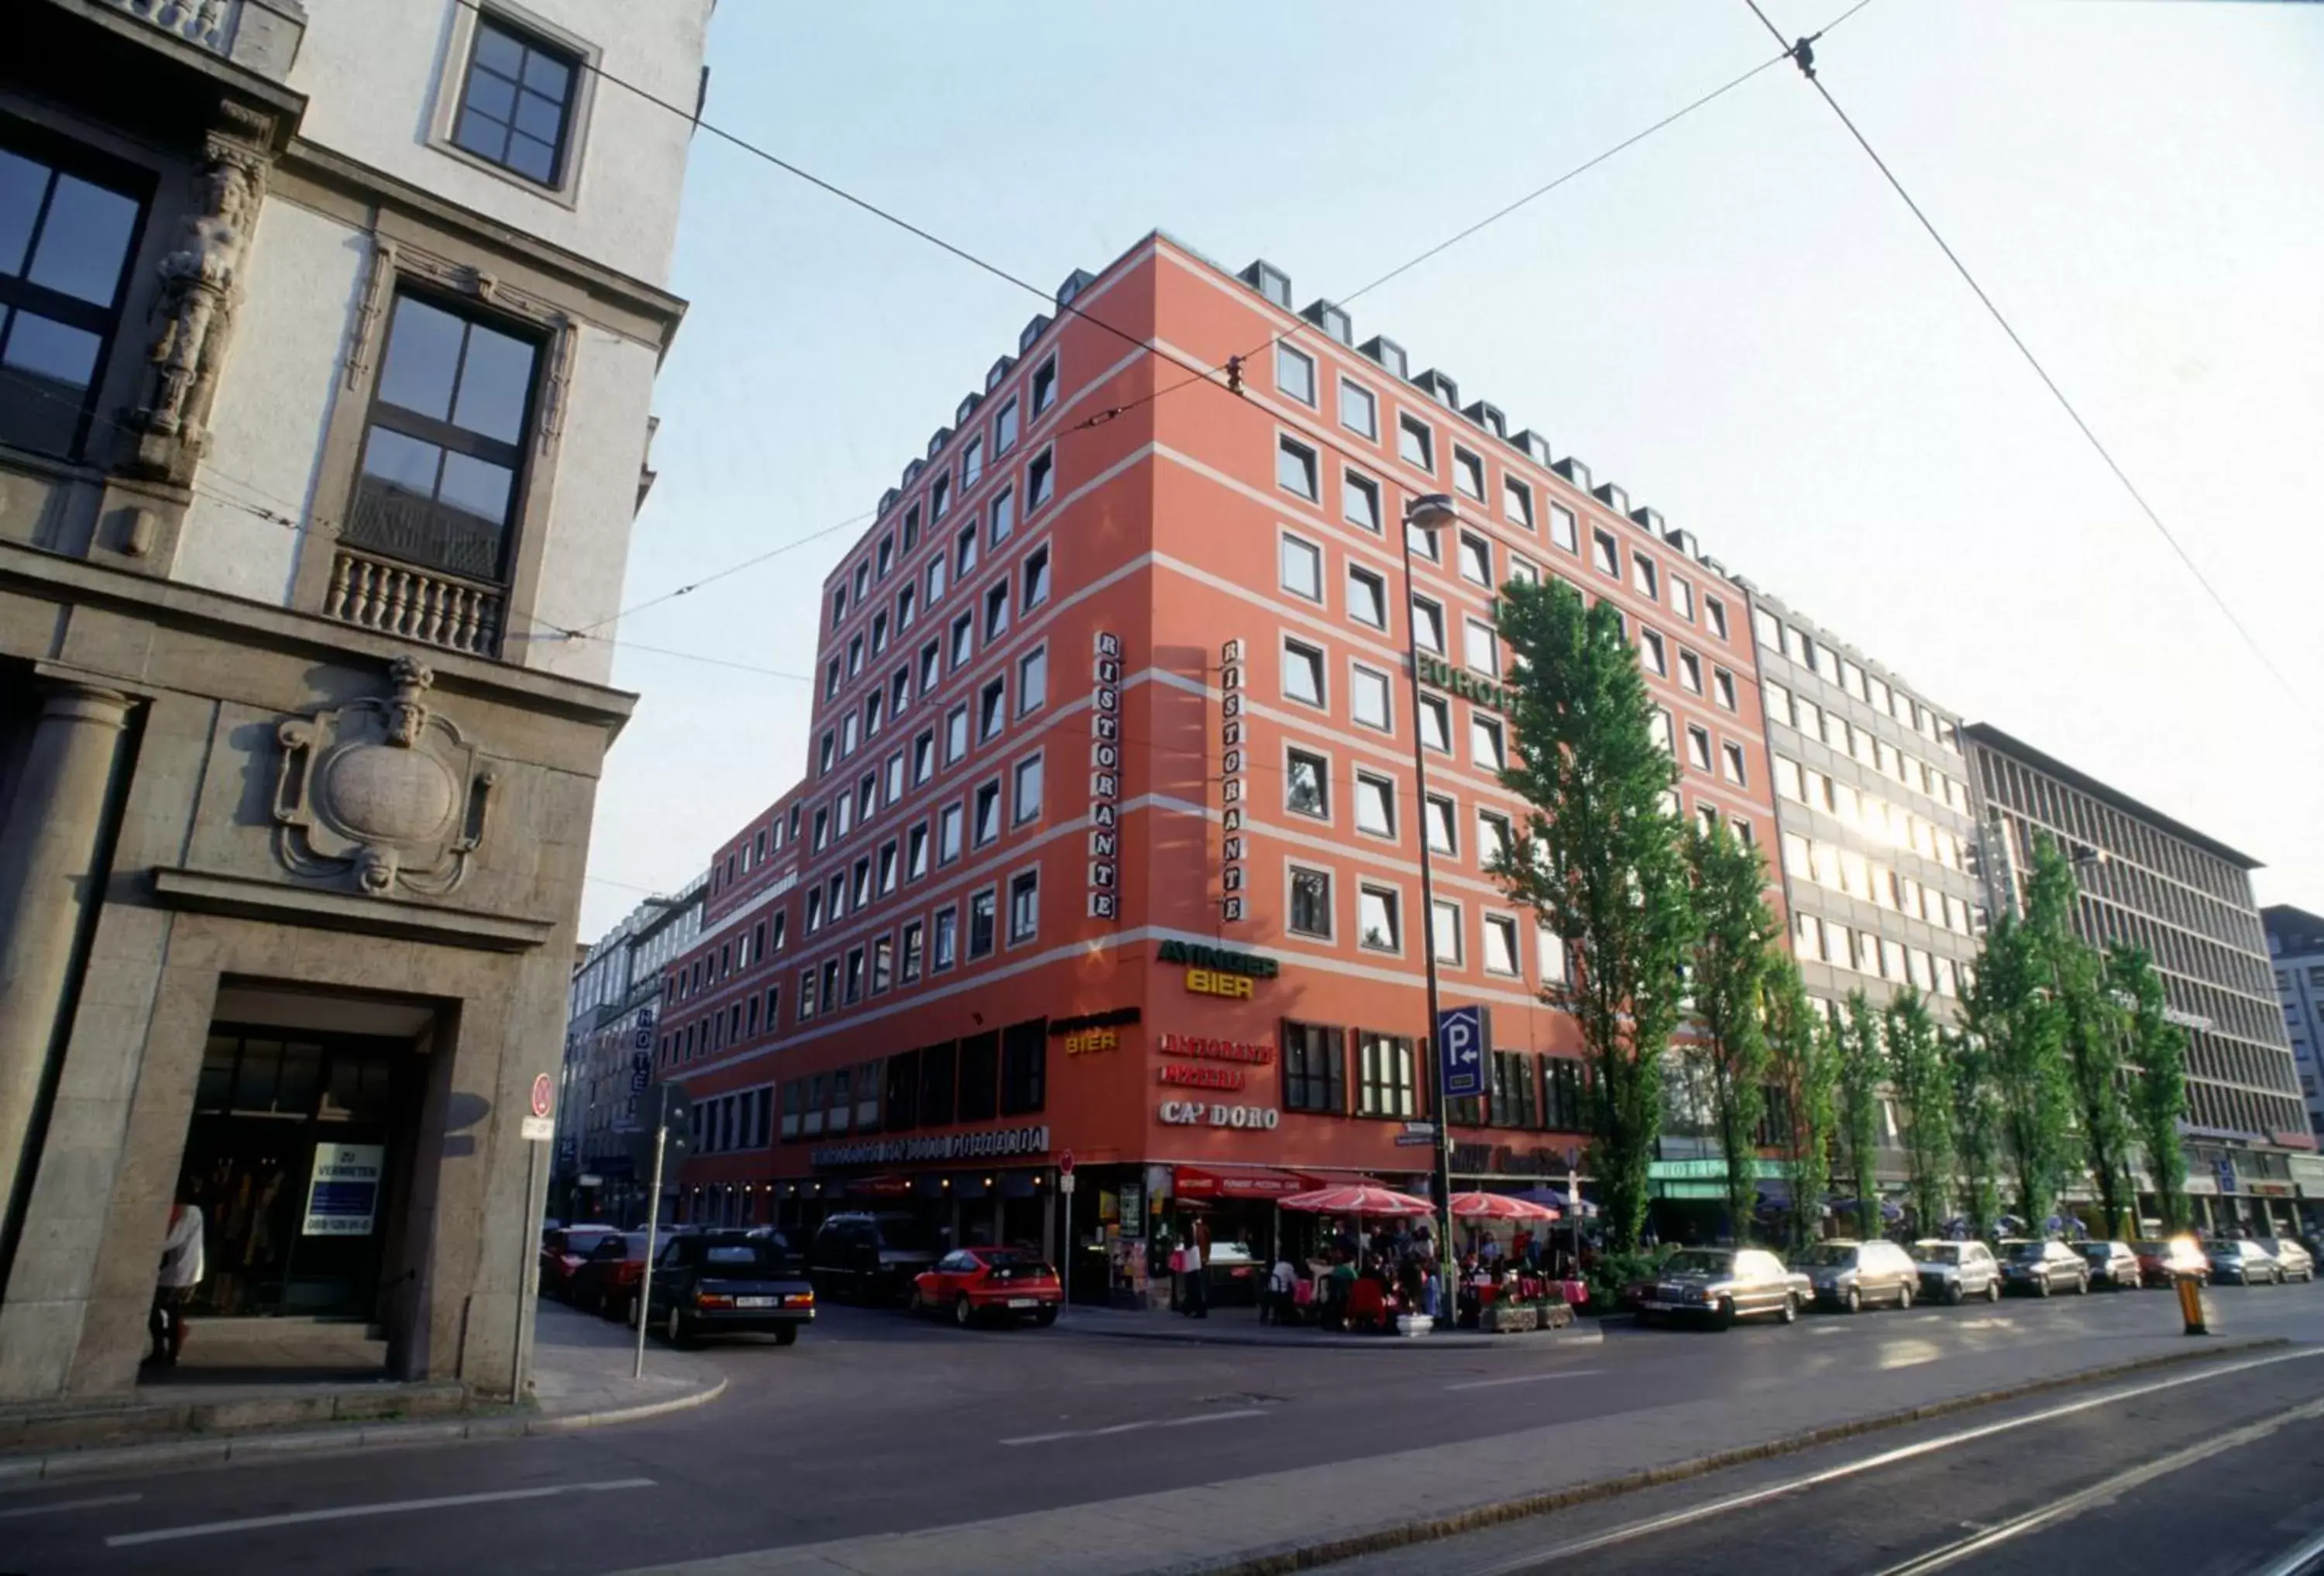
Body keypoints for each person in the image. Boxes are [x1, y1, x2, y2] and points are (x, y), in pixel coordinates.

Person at [148, 1188, 205, 1368]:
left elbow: (172, 1239)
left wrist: (150, 1243)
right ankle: (170, 1352)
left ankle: (164, 1352)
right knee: (172, 1312)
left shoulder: (190, 1214)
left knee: (156, 1308)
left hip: (181, 1274)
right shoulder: (193, 1213)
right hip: (185, 1272)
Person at [1181, 1218, 1209, 1318]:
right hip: (1196, 1261)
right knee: (1194, 1285)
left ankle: (1193, 1308)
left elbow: (1190, 1244)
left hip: (1194, 1261)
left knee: (1193, 1286)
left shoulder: (1196, 1229)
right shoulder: (1201, 1228)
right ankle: (1189, 1307)